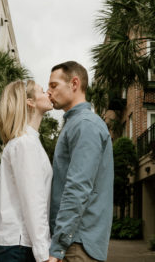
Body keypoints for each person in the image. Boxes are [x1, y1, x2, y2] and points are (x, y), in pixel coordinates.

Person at [47, 61, 114, 262]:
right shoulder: (76, 123)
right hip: (74, 242)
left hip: (76, 245)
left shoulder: (84, 125)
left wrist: (58, 246)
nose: (48, 92)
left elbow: (78, 187)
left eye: (54, 85)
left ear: (74, 84)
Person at [0, 80, 53, 262]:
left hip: (20, 243)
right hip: (19, 245)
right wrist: (43, 253)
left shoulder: (29, 142)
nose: (48, 93)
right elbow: (33, 201)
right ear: (30, 102)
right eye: (42, 91)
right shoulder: (25, 144)